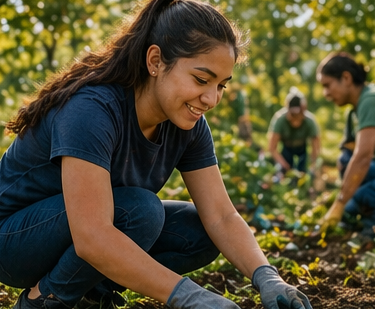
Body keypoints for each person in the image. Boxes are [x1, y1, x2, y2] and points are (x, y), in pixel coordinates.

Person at [0, 0, 313, 308]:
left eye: (221, 86)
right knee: (141, 212)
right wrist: (188, 295)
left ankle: (90, 291)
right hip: (13, 243)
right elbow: (92, 235)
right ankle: (43, 300)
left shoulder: (188, 125)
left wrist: (267, 277)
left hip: (81, 235)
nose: (210, 98)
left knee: (199, 230)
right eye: (201, 80)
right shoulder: (92, 110)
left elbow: (222, 215)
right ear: (155, 61)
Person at [317, 51, 375, 236]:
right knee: (346, 164)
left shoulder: (372, 100)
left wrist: (340, 203)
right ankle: (374, 212)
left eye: (327, 85)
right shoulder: (355, 111)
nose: (325, 93)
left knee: (364, 198)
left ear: (346, 78)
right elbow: (349, 157)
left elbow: (363, 157)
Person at [268, 88, 320, 176]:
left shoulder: (310, 121)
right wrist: (284, 165)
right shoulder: (279, 120)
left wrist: (312, 165)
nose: (295, 120)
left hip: (302, 151)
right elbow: (272, 148)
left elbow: (316, 148)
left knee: (307, 174)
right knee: (280, 172)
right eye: (292, 115)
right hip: (286, 151)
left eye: (298, 115)